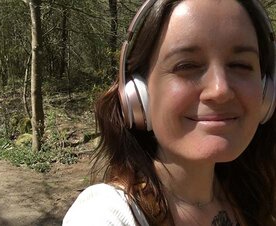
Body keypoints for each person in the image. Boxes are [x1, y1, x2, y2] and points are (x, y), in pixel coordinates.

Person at [63, 0, 276, 225]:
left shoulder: (258, 199)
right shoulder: (104, 214)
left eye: (241, 65)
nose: (220, 90)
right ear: (138, 95)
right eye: (187, 65)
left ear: (266, 93)